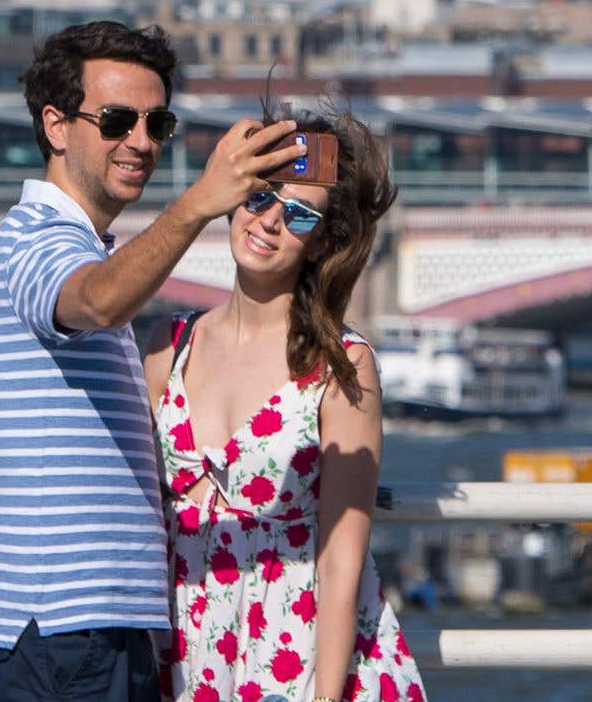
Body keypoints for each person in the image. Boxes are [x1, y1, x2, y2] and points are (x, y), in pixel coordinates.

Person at [0, 18, 299, 702]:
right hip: (59, 631)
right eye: (115, 119)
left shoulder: (79, 246)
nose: (139, 140)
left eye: (155, 121)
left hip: (79, 630)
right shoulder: (39, 241)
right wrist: (199, 201)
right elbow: (96, 301)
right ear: (55, 125)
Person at [146, 108, 428, 702]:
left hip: (295, 659)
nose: (269, 221)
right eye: (260, 197)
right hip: (186, 656)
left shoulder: (342, 367)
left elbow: (341, 559)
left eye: (298, 214)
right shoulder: (165, 351)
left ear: (321, 240)